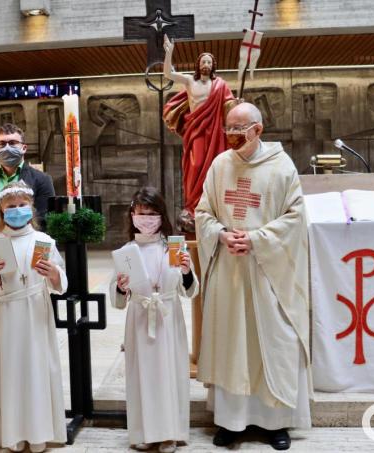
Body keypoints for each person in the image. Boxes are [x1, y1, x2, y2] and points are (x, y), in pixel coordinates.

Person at [194, 103, 312, 450]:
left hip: (268, 272)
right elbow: (203, 212)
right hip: (229, 271)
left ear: (258, 130)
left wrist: (257, 239)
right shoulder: (219, 165)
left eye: (238, 129)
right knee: (232, 344)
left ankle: (276, 423)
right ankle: (231, 423)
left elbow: (296, 217)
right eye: (227, 128)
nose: (230, 136)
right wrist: (220, 234)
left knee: (273, 343)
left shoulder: (281, 167)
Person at [0, 181, 67, 453]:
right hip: (8, 313)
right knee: (10, 370)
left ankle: (39, 435)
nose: (17, 210)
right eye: (11, 207)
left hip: (36, 312)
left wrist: (54, 274)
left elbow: (61, 279)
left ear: (31, 208)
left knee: (37, 369)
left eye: (22, 205)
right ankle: (12, 435)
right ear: (2, 211)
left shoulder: (44, 241)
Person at [0, 123, 56, 409]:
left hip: (30, 264)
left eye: (13, 142)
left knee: (32, 332)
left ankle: (34, 387)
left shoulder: (40, 179)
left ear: (24, 147)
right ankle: (1, 389)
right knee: (0, 330)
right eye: (2, 142)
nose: (8, 147)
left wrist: (24, 244)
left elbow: (46, 217)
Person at [109, 187, 198, 453]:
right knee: (143, 376)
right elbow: (117, 301)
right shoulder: (126, 251)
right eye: (141, 213)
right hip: (139, 317)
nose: (146, 218)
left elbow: (191, 290)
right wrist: (122, 288)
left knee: (169, 375)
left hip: (168, 318)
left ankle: (170, 432)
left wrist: (185, 271)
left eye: (152, 213)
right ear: (132, 215)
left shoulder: (174, 246)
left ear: (162, 216)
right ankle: (146, 431)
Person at [162, 34, 237, 234]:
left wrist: (237, 105)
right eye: (203, 61)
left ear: (213, 66)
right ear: (198, 64)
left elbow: (229, 105)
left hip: (214, 134)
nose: (206, 64)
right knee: (194, 167)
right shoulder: (189, 81)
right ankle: (193, 207)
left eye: (209, 62)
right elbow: (168, 73)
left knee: (215, 167)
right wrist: (169, 53)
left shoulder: (220, 85)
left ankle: (212, 207)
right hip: (195, 132)